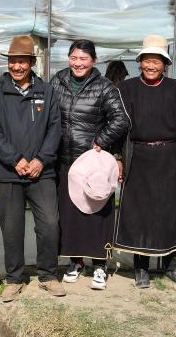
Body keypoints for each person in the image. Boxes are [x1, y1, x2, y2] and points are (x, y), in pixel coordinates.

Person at [112, 35, 176, 289]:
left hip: (170, 159)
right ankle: (141, 268)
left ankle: (171, 267)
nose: (151, 66)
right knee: (139, 215)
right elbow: (118, 129)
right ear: (140, 62)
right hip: (138, 158)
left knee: (170, 214)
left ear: (165, 64)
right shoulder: (125, 90)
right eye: (147, 60)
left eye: (157, 61)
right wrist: (118, 158)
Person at [0, 35, 65, 302]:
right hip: (9, 172)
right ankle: (14, 279)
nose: (17, 66)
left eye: (22, 61)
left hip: (42, 172)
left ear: (32, 63)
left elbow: (55, 128)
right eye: (13, 61)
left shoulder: (46, 91)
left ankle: (48, 275)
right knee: (11, 228)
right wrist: (15, 159)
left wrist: (41, 160)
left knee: (49, 223)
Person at [50, 39, 129, 290]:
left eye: (83, 59)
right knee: (70, 215)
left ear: (93, 61)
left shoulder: (104, 87)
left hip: (93, 164)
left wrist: (100, 140)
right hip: (65, 160)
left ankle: (100, 265)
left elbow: (121, 119)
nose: (78, 63)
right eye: (74, 58)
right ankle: (75, 262)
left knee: (98, 214)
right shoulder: (57, 81)